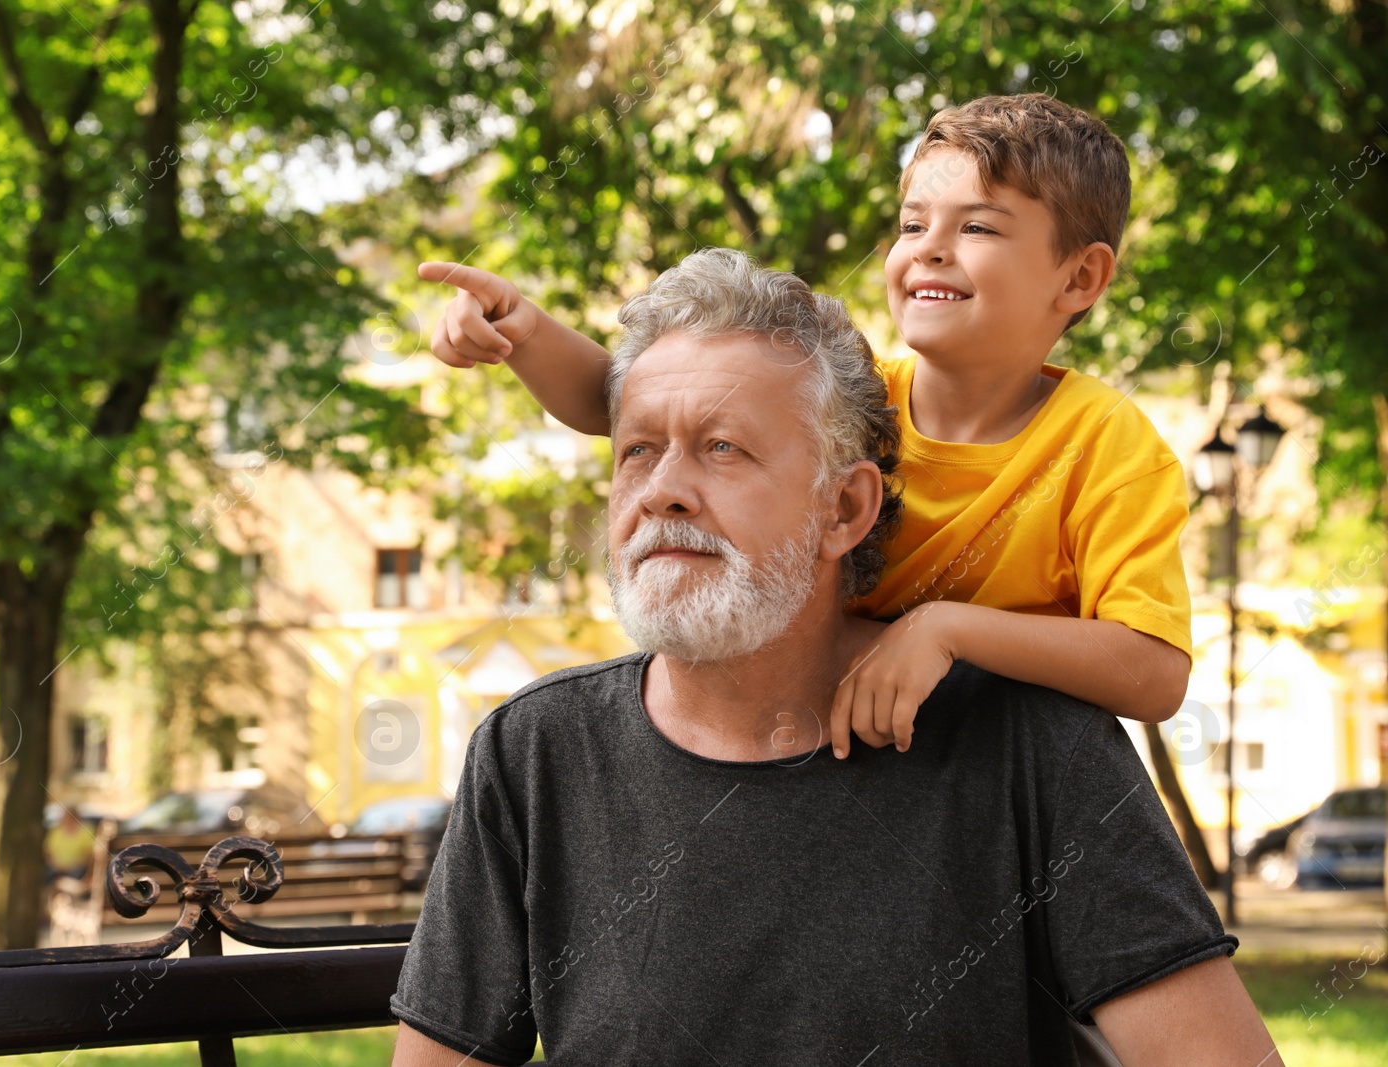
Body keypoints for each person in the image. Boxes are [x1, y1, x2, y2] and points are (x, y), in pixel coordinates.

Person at [388, 250, 1281, 1065]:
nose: (661, 491)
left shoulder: (1031, 742)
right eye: (637, 451)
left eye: (722, 448)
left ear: (845, 509)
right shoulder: (534, 752)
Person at [416, 94, 1193, 760]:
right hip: (804, 741)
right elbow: (627, 408)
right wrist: (521, 332)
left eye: (979, 229)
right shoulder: (856, 397)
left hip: (980, 764)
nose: (929, 251)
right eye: (912, 223)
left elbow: (1153, 671)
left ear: (1081, 276)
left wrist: (946, 631)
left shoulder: (1107, 445)